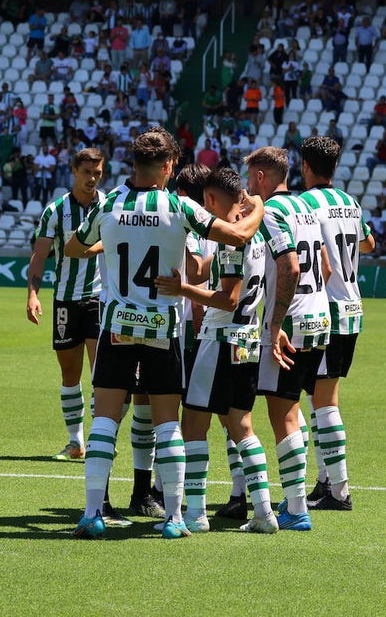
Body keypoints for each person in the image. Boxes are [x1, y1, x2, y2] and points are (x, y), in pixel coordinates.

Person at [66, 130, 265, 539]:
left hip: (117, 325)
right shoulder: (180, 206)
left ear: (132, 165)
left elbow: (73, 248)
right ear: (169, 166)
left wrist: (115, 245)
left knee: (104, 419)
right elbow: (239, 235)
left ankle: (91, 513)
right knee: (167, 425)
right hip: (163, 328)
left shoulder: (108, 204)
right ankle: (174, 518)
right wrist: (258, 204)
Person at [153, 167, 278, 534]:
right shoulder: (252, 235)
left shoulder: (230, 241)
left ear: (209, 200)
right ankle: (264, 512)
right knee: (241, 426)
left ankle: (195, 513)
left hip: (219, 340)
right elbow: (211, 271)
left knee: (193, 422)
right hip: (247, 340)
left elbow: (228, 298)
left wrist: (183, 291)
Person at [245, 145, 332, 532]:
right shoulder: (306, 207)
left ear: (262, 177)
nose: (248, 185)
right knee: (292, 410)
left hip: (291, 324)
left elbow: (290, 266)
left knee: (282, 414)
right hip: (320, 317)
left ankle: (296, 508)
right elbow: (325, 266)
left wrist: (275, 323)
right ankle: (295, 501)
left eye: (250, 178)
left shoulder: (273, 211)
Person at [299, 136, 375, 511]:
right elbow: (369, 244)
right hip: (353, 308)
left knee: (323, 400)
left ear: (305, 166)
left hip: (324, 308)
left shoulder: (306, 203)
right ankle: (325, 479)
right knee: (320, 397)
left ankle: (339, 491)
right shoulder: (351, 202)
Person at [26, 148, 106, 461]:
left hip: (100, 298)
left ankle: (100, 441)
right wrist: (32, 294)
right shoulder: (56, 211)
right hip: (65, 301)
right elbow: (39, 256)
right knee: (70, 375)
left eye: (97, 173)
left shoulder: (109, 206)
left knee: (102, 375)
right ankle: (76, 443)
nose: (92, 178)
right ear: (74, 171)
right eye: (86, 172)